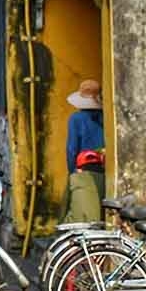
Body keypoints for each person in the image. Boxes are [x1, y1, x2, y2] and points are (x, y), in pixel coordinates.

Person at [64, 79, 106, 224]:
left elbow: (71, 149)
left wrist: (72, 171)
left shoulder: (76, 119)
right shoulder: (105, 118)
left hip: (84, 171)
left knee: (81, 215)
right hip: (103, 170)